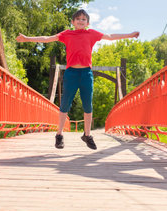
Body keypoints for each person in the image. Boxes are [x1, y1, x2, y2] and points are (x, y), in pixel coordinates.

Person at [16, 9, 139, 150]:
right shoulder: (67, 34)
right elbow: (47, 38)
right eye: (78, 19)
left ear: (88, 22)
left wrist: (130, 35)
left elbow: (110, 36)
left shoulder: (91, 33)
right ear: (72, 22)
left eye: (84, 19)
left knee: (88, 105)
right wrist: (27, 38)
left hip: (86, 73)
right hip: (71, 73)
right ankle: (59, 135)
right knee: (65, 104)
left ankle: (87, 135)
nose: (81, 21)